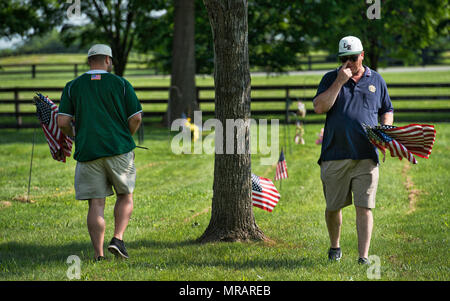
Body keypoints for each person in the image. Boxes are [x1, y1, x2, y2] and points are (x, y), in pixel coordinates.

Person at [57, 44, 143, 261]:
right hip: (119, 149)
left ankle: (98, 254)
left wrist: (76, 136)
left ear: (89, 61)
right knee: (125, 195)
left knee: (96, 203)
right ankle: (118, 239)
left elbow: (63, 121)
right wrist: (127, 136)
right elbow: (136, 118)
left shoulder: (72, 86)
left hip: (88, 151)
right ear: (108, 60)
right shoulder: (121, 84)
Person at [313, 36, 394, 264]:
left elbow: (387, 108)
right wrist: (339, 82)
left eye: (352, 57)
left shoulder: (376, 80)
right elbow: (319, 107)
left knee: (364, 207)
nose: (348, 62)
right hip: (334, 154)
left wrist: (385, 127)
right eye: (343, 58)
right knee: (333, 207)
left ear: (362, 55)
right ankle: (334, 247)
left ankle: (363, 257)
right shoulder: (330, 78)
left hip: (366, 155)